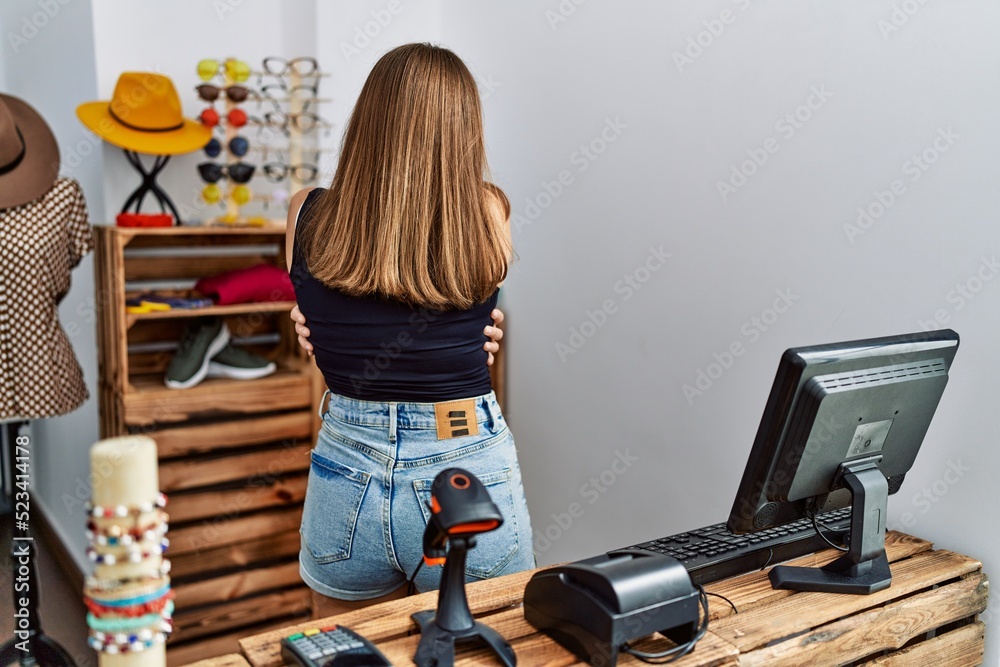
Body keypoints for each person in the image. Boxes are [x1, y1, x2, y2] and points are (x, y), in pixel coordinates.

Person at [285, 43, 534, 618]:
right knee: (485, 651)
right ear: (463, 129)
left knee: (348, 656)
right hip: (463, 459)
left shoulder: (304, 212)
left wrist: (311, 324)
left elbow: (333, 312)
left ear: (367, 120)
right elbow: (454, 312)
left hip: (347, 461)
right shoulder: (490, 211)